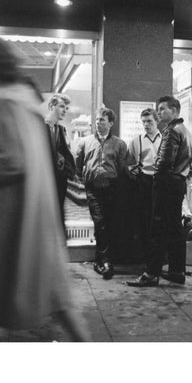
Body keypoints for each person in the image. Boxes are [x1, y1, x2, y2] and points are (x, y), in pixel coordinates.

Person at [0, 36, 89, 341]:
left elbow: (12, 162)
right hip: (34, 214)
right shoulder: (25, 102)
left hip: (8, 217)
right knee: (56, 295)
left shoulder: (3, 103)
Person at [128, 95, 192, 287]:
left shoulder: (171, 131)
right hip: (178, 184)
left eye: (163, 109)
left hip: (166, 186)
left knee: (157, 230)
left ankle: (151, 274)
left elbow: (164, 162)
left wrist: (157, 180)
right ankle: (177, 271)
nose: (159, 112)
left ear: (174, 111)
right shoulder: (185, 130)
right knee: (175, 229)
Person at [75, 107, 128, 280]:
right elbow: (78, 163)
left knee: (110, 223)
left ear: (111, 123)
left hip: (112, 188)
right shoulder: (85, 142)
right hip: (93, 188)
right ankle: (105, 261)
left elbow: (122, 168)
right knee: (99, 222)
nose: (98, 123)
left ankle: (101, 259)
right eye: (97, 120)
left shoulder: (120, 144)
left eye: (102, 120)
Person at [127, 108, 162, 260]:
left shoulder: (164, 139)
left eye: (150, 121)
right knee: (143, 220)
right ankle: (146, 257)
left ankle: (158, 257)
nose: (146, 125)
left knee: (159, 220)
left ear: (157, 121)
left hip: (160, 183)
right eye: (144, 122)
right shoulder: (137, 141)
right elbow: (129, 163)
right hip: (143, 182)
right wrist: (133, 171)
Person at [45, 93, 76, 220]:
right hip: (44, 180)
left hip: (59, 180)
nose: (65, 111)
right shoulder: (39, 127)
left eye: (66, 108)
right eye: (62, 106)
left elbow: (65, 152)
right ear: (52, 106)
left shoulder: (61, 129)